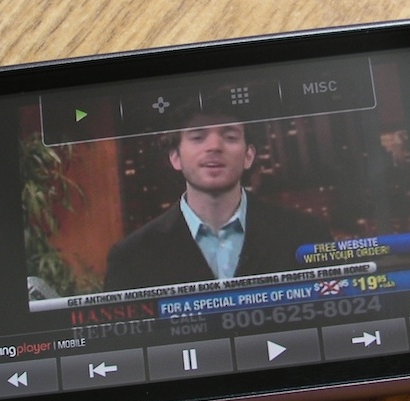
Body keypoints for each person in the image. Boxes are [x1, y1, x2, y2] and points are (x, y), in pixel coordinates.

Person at [104, 104, 332, 291]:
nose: (214, 146)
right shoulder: (131, 257)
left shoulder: (307, 234)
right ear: (175, 158)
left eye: (230, 137)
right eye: (198, 137)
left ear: (248, 156)